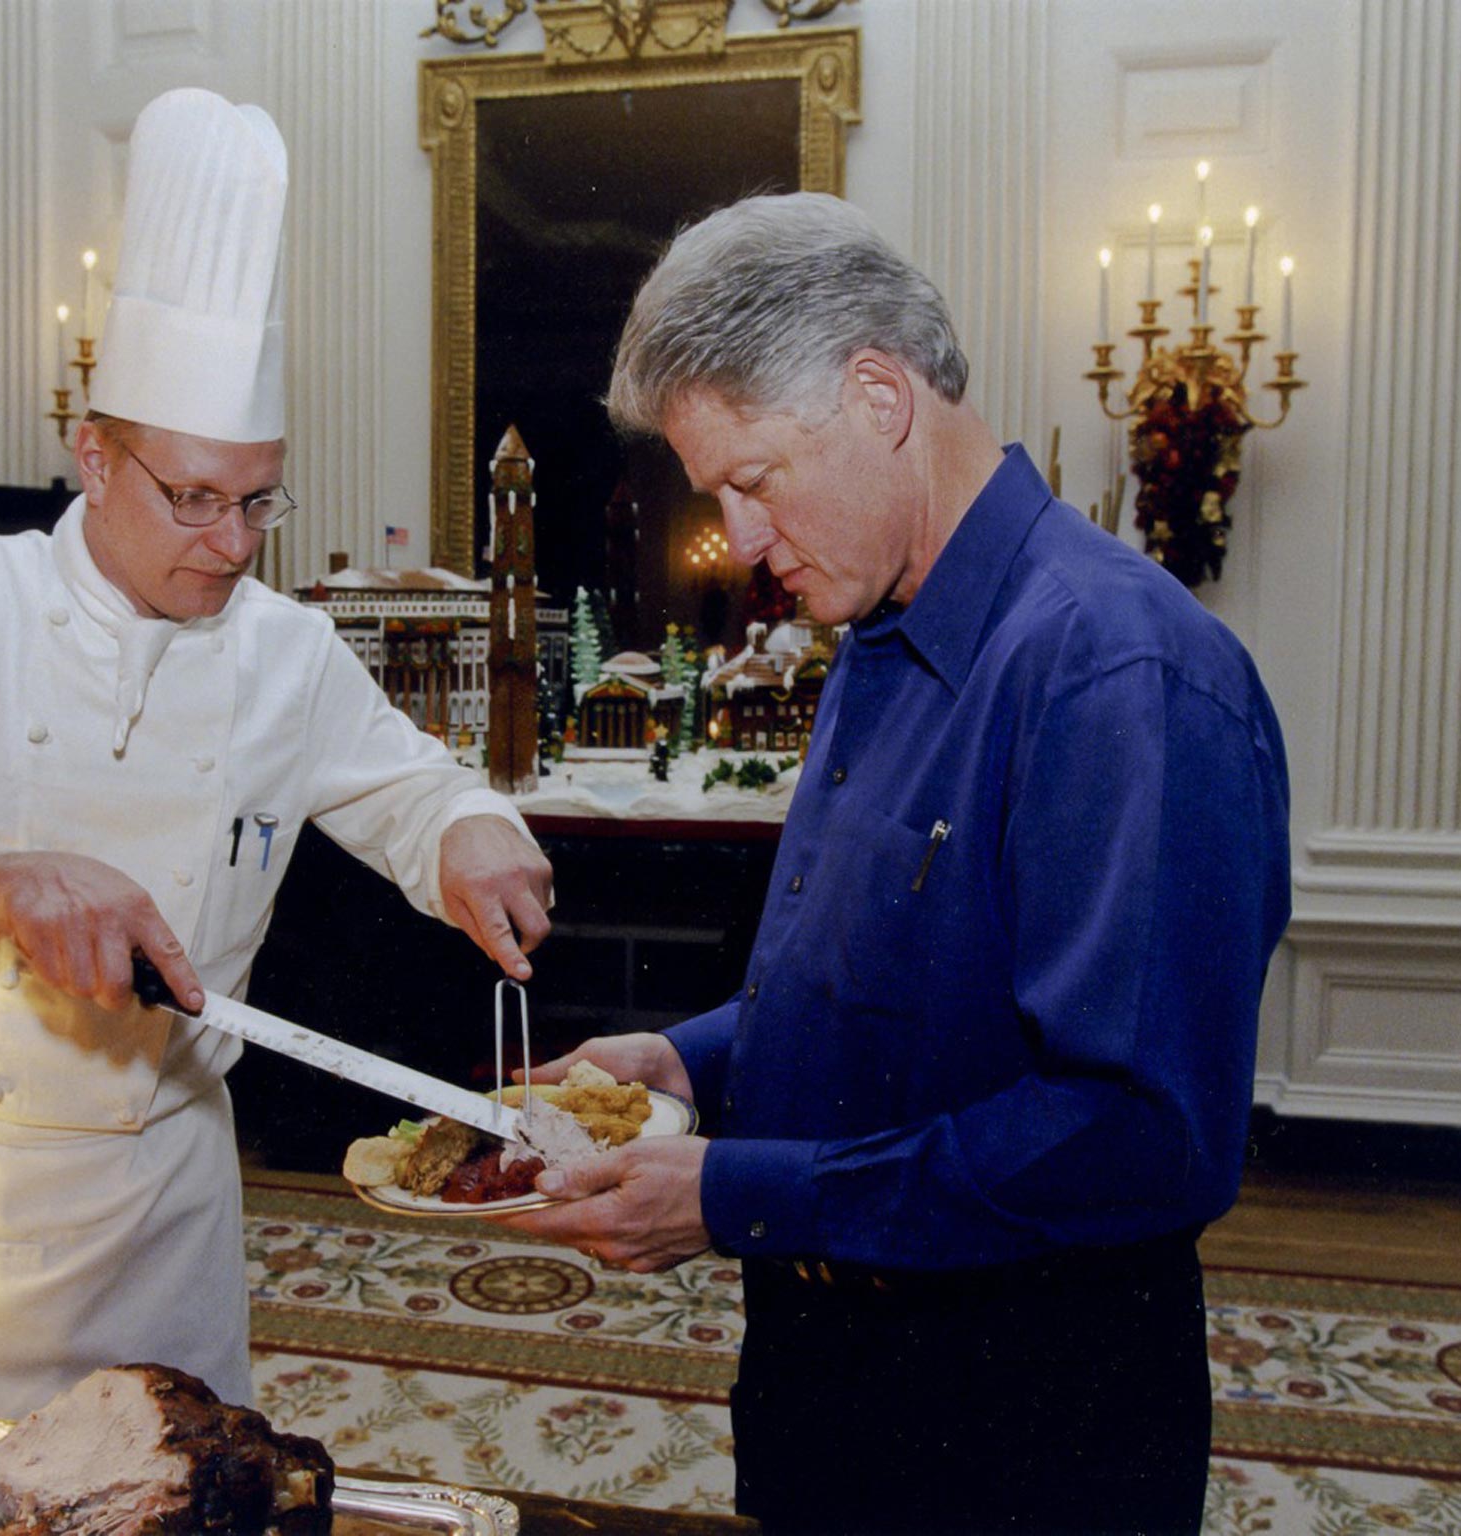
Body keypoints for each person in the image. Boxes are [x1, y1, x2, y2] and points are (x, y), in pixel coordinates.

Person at [498, 192, 1290, 1535]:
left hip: (1018, 1426)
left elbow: (1142, 1137)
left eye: (752, 480)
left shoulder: (1115, 670)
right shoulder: (875, 633)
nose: (739, 543)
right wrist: (691, 1062)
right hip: (834, 1385)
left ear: (879, 395)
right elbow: (894, 994)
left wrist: (737, 1193)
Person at [0, 89, 552, 1419]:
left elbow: (410, 785)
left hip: (165, 1211)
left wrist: (469, 833)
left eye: (258, 500)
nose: (233, 543)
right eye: (193, 498)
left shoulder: (285, 651)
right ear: (92, 454)